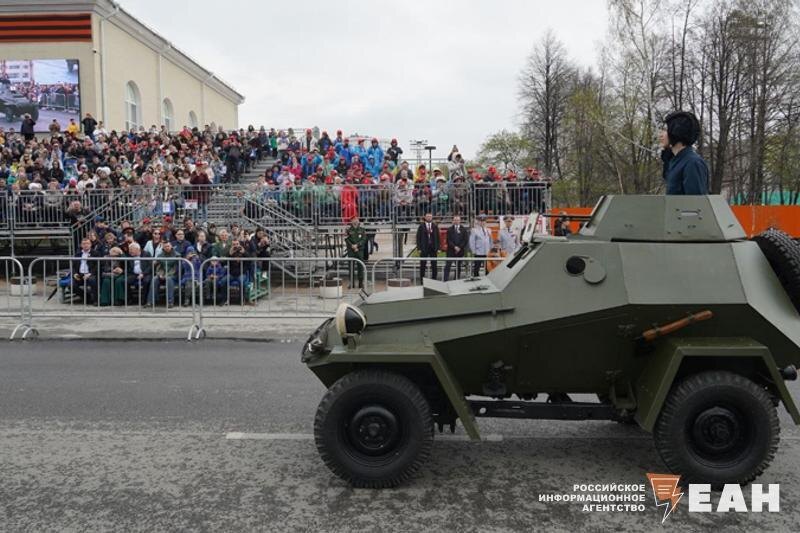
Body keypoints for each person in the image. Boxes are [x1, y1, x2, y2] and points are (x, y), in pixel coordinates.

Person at [662, 111, 709, 195]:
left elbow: (696, 203)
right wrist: (667, 159)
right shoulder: (676, 161)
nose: (661, 135)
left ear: (676, 131)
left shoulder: (692, 163)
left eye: (665, 130)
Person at [72, 237, 100, 304]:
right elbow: (73, 266)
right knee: (71, 285)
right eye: (84, 244)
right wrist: (75, 273)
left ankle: (96, 300)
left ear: (90, 245)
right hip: (80, 274)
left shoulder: (95, 253)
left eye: (87, 243)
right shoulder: (77, 254)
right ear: (81, 245)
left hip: (90, 274)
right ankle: (87, 298)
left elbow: (97, 266)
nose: (86, 245)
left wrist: (89, 274)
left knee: (92, 280)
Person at [444, 215, 469, 281]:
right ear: (453, 221)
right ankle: (445, 280)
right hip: (450, 251)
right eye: (455, 220)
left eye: (457, 220)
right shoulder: (449, 229)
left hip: (460, 251)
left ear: (460, 221)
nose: (456, 221)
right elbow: (448, 240)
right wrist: (454, 247)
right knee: (447, 266)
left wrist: (459, 247)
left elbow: (465, 240)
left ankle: (456, 279)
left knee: (458, 266)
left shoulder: (463, 229)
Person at [416, 212, 440, 280]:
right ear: (425, 217)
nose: (429, 218)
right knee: (423, 265)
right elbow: (418, 238)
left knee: (434, 265)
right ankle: (422, 280)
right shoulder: (421, 226)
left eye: (430, 216)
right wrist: (419, 248)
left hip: (433, 248)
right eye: (427, 216)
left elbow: (438, 238)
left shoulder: (435, 226)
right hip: (424, 248)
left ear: (432, 217)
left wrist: (438, 248)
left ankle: (434, 279)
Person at [345, 216, 366, 289]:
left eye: (357, 219)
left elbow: (364, 239)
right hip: (351, 251)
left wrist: (357, 245)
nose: (355, 221)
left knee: (360, 267)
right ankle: (352, 283)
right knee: (351, 267)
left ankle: (360, 283)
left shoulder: (362, 230)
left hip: (359, 250)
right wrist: (352, 246)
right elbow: (346, 239)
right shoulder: (348, 230)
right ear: (351, 221)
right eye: (354, 219)